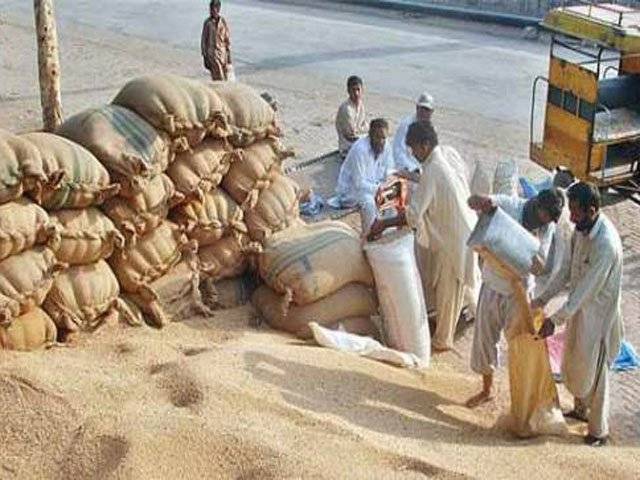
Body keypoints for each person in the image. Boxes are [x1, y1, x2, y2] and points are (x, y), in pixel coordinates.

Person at [368, 121, 480, 352]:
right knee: (448, 283)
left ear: (426, 145)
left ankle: (442, 340)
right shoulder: (441, 160)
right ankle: (463, 316)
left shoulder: (434, 169)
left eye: (415, 149)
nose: (413, 154)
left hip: (456, 238)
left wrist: (383, 224)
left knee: (449, 288)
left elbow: (413, 215)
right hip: (460, 232)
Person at [534, 183, 623, 447]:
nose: (570, 217)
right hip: (579, 312)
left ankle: (598, 431)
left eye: (575, 212)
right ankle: (580, 410)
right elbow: (565, 273)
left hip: (600, 317)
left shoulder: (606, 244)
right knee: (575, 357)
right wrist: (541, 299)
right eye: (570, 210)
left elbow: (585, 291)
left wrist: (554, 320)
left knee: (597, 372)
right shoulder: (579, 232)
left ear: (592, 211)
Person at [465, 187, 565, 408]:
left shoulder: (546, 229)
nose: (546, 222)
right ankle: (486, 389)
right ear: (538, 206)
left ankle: (522, 398)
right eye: (545, 216)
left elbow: (540, 266)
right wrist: (482, 202)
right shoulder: (510, 205)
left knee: (521, 345)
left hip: (519, 292)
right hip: (492, 284)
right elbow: (474, 200)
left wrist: (525, 245)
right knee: (484, 341)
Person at [334, 118, 394, 234]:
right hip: (352, 191)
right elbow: (359, 183)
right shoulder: (360, 149)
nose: (381, 141)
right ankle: (369, 235)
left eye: (384, 138)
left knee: (392, 200)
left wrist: (388, 184)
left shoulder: (386, 145)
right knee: (369, 203)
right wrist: (379, 189)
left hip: (375, 187)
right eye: (378, 137)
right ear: (370, 135)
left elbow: (389, 169)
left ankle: (387, 234)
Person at [392, 93, 434, 178]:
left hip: (419, 169)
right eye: (422, 109)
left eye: (427, 110)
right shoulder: (406, 125)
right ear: (417, 108)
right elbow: (398, 152)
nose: (424, 112)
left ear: (432, 112)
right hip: (404, 168)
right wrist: (413, 168)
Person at [335, 76, 367, 158]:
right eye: (353, 90)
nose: (356, 93)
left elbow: (364, 124)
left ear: (362, 90)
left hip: (357, 143)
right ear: (348, 91)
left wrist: (361, 130)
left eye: (358, 90)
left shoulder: (361, 105)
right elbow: (351, 136)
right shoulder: (346, 109)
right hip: (347, 149)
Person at [201, 0, 233, 81]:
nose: (211, 11)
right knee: (218, 78)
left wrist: (229, 56)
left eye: (213, 9)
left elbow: (227, 39)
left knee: (226, 77)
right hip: (212, 54)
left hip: (222, 54)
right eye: (210, 9)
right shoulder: (207, 23)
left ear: (218, 9)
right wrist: (205, 57)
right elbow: (203, 40)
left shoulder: (223, 22)